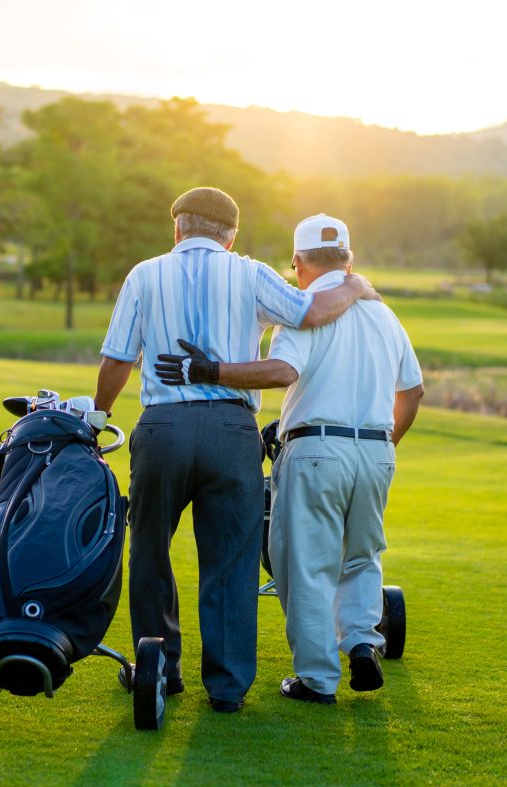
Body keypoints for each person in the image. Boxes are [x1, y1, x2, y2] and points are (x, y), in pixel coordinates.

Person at [94, 188, 378, 714]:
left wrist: (97, 418)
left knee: (151, 548)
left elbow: (117, 359)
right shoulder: (249, 273)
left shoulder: (144, 274)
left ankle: (160, 668)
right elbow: (312, 312)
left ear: (177, 229)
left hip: (163, 430)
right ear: (231, 236)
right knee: (231, 557)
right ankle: (226, 688)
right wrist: (356, 285)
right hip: (231, 432)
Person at [155, 214, 424, 705]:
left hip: (316, 450)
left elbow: (282, 371)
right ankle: (362, 640)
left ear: (298, 263)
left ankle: (318, 680)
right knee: (362, 555)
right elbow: (413, 391)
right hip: (377, 451)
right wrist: (387, 446)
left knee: (304, 567)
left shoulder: (305, 312)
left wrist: (209, 371)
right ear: (349, 258)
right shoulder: (386, 315)